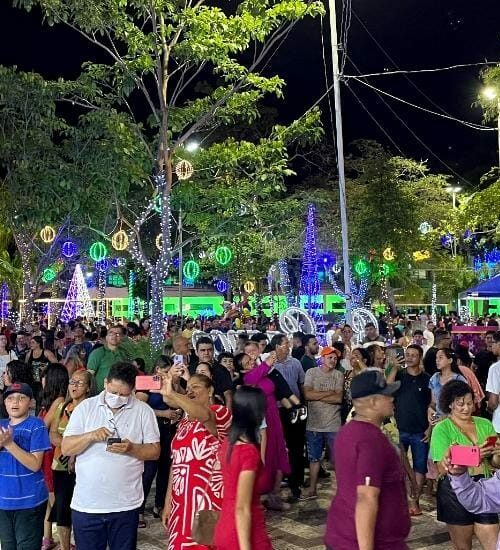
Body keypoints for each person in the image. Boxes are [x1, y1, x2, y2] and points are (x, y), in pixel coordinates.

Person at [61, 362, 160, 550]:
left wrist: (132, 449)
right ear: (105, 383)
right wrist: (90, 435)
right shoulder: (85, 408)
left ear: (132, 390)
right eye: (113, 392)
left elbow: (155, 451)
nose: (117, 398)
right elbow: (66, 448)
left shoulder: (143, 411)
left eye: (123, 394)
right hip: (87, 505)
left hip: (126, 505)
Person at [325, 370, 410, 550]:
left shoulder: (346, 431)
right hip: (369, 543)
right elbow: (366, 497)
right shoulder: (371, 440)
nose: (392, 399)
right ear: (373, 402)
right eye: (387, 395)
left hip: (341, 535)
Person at [158, 371, 231, 550]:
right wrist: (168, 502)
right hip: (181, 500)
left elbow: (204, 416)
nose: (191, 391)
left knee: (205, 544)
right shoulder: (184, 422)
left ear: (210, 390)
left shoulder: (219, 412)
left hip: (207, 499)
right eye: (188, 388)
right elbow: (176, 464)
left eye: (196, 387)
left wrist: (173, 394)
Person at [430, 380, 499, 549]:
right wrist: (474, 455)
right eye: (460, 404)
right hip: (454, 491)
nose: (466, 408)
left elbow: (494, 462)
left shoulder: (484, 424)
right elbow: (441, 466)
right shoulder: (442, 428)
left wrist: (496, 454)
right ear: (450, 405)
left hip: (486, 487)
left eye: (469, 403)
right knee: (462, 546)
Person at [214, 387, 272, 550]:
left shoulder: (229, 443)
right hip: (245, 533)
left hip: (226, 523)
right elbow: (242, 507)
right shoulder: (249, 453)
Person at [0, 382, 52, 550]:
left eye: (21, 398)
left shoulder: (36, 425)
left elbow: (35, 464)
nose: (15, 402)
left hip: (30, 502)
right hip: (3, 502)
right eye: (10, 398)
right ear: (4, 402)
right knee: (8, 546)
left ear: (31, 402)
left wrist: (9, 444)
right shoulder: (1, 425)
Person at [49, 369, 96, 550]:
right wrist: (68, 449)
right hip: (59, 463)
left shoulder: (91, 408)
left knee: (81, 507)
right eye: (72, 382)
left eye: (79, 383)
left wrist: (74, 451)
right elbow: (53, 432)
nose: (74, 386)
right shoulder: (63, 406)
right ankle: (64, 546)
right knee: (62, 509)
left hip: (83, 465)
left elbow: (91, 436)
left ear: (89, 388)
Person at [135, 357, 182, 526]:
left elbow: (182, 400)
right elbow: (139, 405)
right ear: (157, 370)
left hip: (169, 430)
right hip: (151, 430)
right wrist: (163, 414)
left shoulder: (172, 383)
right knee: (148, 471)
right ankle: (139, 509)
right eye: (165, 371)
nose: (167, 374)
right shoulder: (148, 381)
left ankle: (160, 505)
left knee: (165, 470)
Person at [243, 350, 291, 511]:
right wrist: (267, 361)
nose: (250, 361)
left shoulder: (263, 373)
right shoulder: (248, 378)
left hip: (274, 417)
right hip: (261, 418)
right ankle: (260, 497)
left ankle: (274, 496)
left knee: (280, 453)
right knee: (266, 456)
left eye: (251, 359)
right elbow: (262, 368)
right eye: (246, 360)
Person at [387, 344, 431, 515]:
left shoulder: (427, 379)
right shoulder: (399, 375)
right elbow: (386, 389)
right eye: (408, 354)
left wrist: (429, 428)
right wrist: (393, 368)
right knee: (400, 467)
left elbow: (432, 406)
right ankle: (404, 500)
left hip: (420, 430)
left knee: (419, 467)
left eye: (414, 355)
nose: (410, 357)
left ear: (420, 358)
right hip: (400, 429)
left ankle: (415, 500)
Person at [302, 346, 343, 501]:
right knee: (314, 458)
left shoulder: (338, 375)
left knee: (337, 459)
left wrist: (316, 395)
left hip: (333, 423)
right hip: (314, 423)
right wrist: (329, 394)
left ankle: (341, 490)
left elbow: (338, 399)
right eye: (330, 357)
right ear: (322, 358)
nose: (333, 360)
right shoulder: (311, 373)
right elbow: (307, 394)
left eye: (335, 358)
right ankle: (312, 488)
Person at [39, 364, 70, 550]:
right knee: (50, 499)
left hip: (52, 453)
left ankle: (63, 539)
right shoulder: (52, 400)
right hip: (47, 451)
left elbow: (43, 424)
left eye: (44, 376)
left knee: (55, 499)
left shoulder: (59, 400)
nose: (41, 380)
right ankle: (47, 538)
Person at [194, 337, 233, 409]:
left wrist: (228, 414)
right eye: (203, 350)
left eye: (209, 350)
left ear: (213, 351)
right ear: (196, 352)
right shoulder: (191, 368)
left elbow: (228, 394)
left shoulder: (222, 370)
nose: (206, 353)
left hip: (217, 409)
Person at [86, 326, 129, 391]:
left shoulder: (125, 353)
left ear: (122, 337)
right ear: (106, 337)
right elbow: (90, 374)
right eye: (111, 334)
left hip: (121, 393)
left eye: (117, 334)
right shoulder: (98, 353)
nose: (114, 336)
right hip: (100, 394)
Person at [428, 348, 467, 420]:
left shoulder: (459, 379)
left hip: (455, 421)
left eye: (441, 357)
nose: (437, 360)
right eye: (436, 358)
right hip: (438, 421)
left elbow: (464, 404)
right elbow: (433, 402)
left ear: (450, 360)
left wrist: (445, 417)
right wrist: (430, 410)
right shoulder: (434, 378)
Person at [485, 332, 500, 431]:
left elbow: (493, 401)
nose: (491, 345)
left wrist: (489, 408)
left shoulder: (495, 368)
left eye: (494, 342)